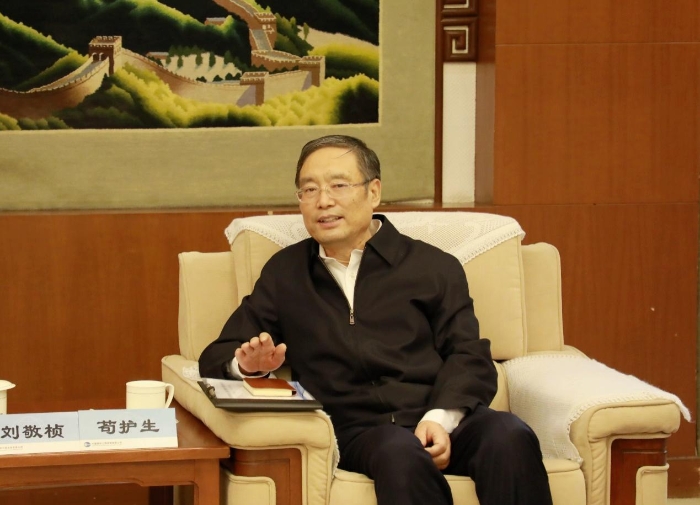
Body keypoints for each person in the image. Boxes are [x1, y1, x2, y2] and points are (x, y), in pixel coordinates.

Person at [199, 135, 553, 505]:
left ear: (373, 192)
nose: (323, 201)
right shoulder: (286, 274)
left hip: (439, 413)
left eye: (339, 185)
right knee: (399, 452)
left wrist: (439, 419)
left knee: (509, 434)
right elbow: (216, 357)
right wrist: (248, 366)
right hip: (359, 430)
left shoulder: (433, 267)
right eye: (309, 189)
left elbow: (469, 355)